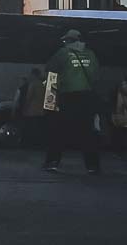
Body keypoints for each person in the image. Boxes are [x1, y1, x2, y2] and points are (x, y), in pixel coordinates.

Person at [42, 29, 102, 174]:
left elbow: (49, 68)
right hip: (87, 96)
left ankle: (52, 162)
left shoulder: (63, 53)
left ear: (69, 40)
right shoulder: (91, 54)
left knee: (59, 130)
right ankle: (92, 165)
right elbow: (95, 76)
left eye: (65, 41)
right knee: (87, 132)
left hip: (68, 96)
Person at [16, 68, 47, 151]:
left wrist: (24, 108)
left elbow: (29, 98)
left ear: (34, 75)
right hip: (41, 111)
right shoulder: (43, 85)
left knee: (30, 130)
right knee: (39, 130)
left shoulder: (33, 84)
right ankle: (39, 145)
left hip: (31, 111)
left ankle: (29, 145)